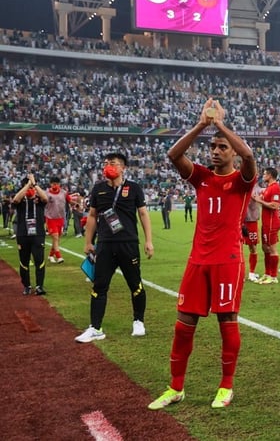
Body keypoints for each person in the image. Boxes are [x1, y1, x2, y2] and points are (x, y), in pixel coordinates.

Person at [149, 98, 258, 410]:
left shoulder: (241, 181)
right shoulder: (201, 176)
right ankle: (175, 388)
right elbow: (173, 155)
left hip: (228, 261)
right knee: (183, 325)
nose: (216, 150)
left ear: (233, 152)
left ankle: (225, 387)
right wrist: (202, 124)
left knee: (227, 322)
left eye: (223, 147)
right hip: (198, 261)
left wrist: (220, 124)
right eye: (213, 146)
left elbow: (249, 155)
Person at [75, 151, 154, 343]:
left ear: (123, 167)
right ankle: (95, 328)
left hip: (128, 243)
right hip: (105, 245)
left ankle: (138, 321)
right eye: (106, 163)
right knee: (99, 286)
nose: (108, 166)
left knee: (135, 284)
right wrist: (88, 242)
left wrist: (148, 241)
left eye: (113, 163)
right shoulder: (98, 189)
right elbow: (92, 216)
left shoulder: (134, 188)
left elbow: (143, 214)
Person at [14, 175, 48, 295]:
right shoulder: (20, 203)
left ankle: (39, 286)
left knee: (39, 260)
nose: (30, 189)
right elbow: (15, 199)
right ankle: (26, 285)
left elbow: (46, 198)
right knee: (24, 261)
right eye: (27, 187)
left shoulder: (39, 202)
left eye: (32, 187)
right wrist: (28, 185)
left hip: (38, 234)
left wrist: (35, 184)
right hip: (23, 235)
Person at [253, 167, 280, 284]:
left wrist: (260, 201)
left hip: (272, 223)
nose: (263, 175)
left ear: (270, 175)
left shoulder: (276, 188)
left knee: (272, 249)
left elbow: (275, 205)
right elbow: (261, 200)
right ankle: (267, 273)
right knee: (265, 248)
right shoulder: (268, 188)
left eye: (265, 174)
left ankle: (273, 276)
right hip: (266, 222)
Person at [44, 176, 71, 263]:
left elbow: (69, 200)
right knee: (55, 237)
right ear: (50, 184)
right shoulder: (46, 193)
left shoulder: (64, 193)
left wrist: (76, 204)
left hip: (60, 218)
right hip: (51, 218)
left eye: (57, 183)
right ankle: (59, 257)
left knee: (57, 238)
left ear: (59, 184)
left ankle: (51, 255)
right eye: (53, 184)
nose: (55, 185)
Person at [244, 183, 262, 283]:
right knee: (236, 248)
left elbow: (262, 198)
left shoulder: (257, 189)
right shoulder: (240, 185)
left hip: (252, 221)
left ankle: (251, 273)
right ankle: (240, 273)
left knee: (253, 247)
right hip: (240, 221)